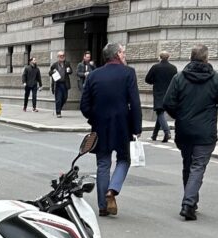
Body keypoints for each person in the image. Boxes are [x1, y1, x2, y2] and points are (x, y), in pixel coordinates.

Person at [163, 44, 218, 221]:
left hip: (184, 130)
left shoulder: (179, 78)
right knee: (198, 167)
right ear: (206, 58)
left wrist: (180, 115)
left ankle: (191, 202)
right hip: (205, 131)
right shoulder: (216, 80)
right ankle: (188, 203)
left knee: (188, 165)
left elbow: (168, 103)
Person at [80, 43, 140, 217]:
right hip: (122, 125)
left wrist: (94, 118)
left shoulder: (93, 75)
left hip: (100, 126)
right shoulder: (128, 73)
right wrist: (136, 126)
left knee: (103, 165)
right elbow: (134, 103)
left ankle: (102, 206)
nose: (124, 55)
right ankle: (113, 190)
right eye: (123, 52)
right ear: (118, 54)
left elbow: (84, 105)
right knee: (124, 159)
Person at [145, 50, 177, 143]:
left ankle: (167, 132)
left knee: (160, 112)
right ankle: (154, 135)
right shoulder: (173, 68)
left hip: (159, 93)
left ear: (160, 57)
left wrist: (154, 81)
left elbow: (147, 79)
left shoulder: (155, 67)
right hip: (169, 93)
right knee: (160, 113)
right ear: (169, 57)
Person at [49, 51, 73, 117]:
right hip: (58, 84)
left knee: (65, 98)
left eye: (63, 55)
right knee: (58, 99)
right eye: (60, 56)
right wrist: (53, 71)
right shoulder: (54, 65)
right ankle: (58, 112)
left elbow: (71, 71)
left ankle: (59, 108)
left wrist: (69, 70)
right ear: (58, 57)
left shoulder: (67, 64)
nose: (62, 57)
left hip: (65, 84)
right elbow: (50, 73)